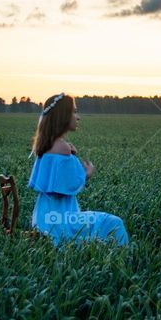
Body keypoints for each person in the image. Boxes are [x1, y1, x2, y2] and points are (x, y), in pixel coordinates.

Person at [27, 93, 129, 246]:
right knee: (114, 222)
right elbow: (64, 187)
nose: (78, 117)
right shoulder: (62, 147)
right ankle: (124, 256)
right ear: (62, 116)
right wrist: (86, 174)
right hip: (61, 220)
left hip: (44, 217)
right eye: (74, 112)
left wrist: (71, 155)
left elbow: (54, 181)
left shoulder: (46, 145)